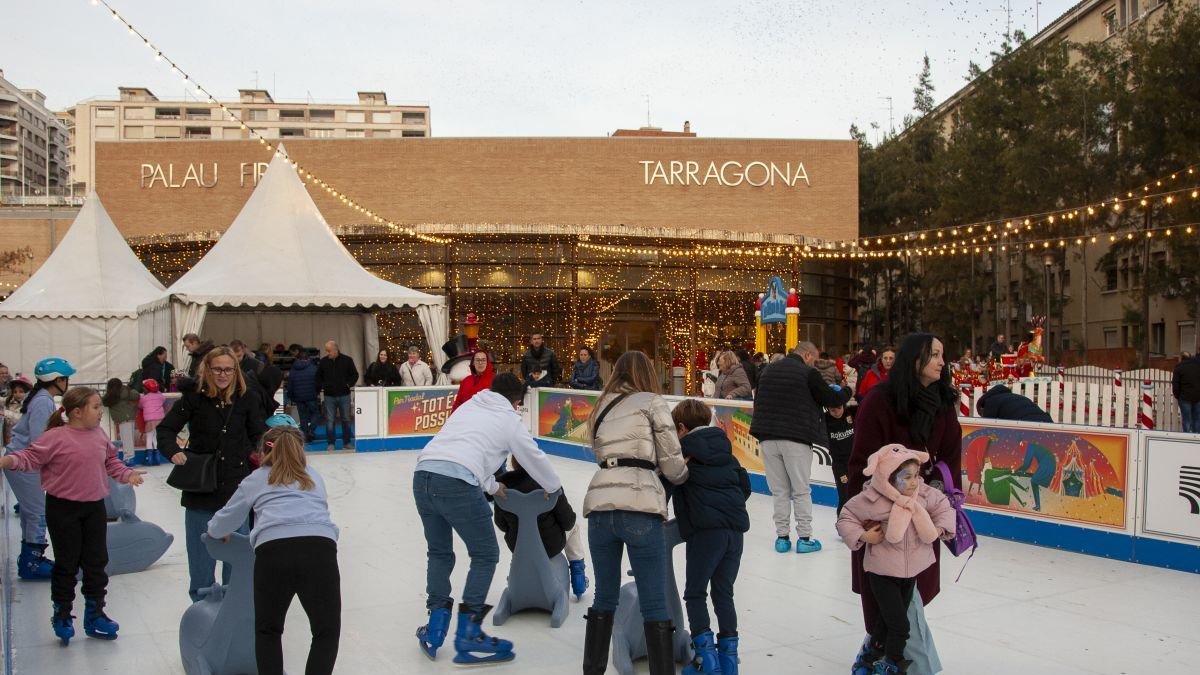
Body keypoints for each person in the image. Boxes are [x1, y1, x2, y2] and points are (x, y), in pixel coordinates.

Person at [412, 373, 563, 665]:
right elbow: (532, 456)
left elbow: (465, 450)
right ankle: (469, 633)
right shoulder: (509, 419)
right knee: (485, 554)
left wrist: (493, 486)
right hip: (456, 482)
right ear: (517, 400)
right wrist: (554, 486)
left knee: (439, 552)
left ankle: (435, 625)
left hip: (423, 474)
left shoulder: (469, 405)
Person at [847, 333, 962, 675]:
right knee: (896, 594)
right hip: (883, 515)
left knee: (906, 593)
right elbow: (860, 461)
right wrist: (865, 518)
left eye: (943, 354)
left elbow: (952, 455)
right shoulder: (881, 400)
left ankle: (874, 654)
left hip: (922, 512)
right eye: (935, 355)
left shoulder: (942, 401)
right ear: (915, 360)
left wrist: (943, 499)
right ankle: (913, 665)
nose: (943, 362)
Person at [0, 386, 146, 644]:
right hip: (63, 509)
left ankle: (95, 613)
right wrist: (8, 461)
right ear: (77, 412)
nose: (101, 412)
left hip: (93, 508)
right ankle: (63, 613)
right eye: (96, 407)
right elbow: (30, 457)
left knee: (96, 561)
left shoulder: (99, 435)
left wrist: (127, 474)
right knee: (67, 563)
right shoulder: (55, 437)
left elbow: (111, 462)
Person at [581, 350, 688, 675]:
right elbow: (671, 462)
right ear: (647, 373)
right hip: (640, 504)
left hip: (600, 505)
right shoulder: (652, 401)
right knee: (655, 602)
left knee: (604, 598)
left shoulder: (600, 407)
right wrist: (683, 475)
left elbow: (601, 453)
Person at [207, 424, 341, 675]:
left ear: (261, 453)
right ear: (301, 451)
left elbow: (225, 520)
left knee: (268, 631)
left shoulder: (256, 479)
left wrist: (216, 531)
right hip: (319, 549)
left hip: (274, 553)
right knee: (326, 631)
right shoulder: (313, 476)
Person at [158, 346, 268, 602]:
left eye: (228, 369)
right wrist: (173, 451)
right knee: (201, 557)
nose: (223, 374)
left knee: (237, 559)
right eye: (217, 368)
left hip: (236, 490)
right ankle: (201, 606)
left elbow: (258, 436)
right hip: (201, 488)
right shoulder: (193, 398)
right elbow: (165, 430)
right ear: (207, 369)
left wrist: (266, 455)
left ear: (236, 370)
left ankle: (235, 605)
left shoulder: (247, 398)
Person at [836, 444, 956, 675]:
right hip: (883, 572)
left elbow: (944, 508)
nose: (913, 482)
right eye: (906, 477)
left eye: (916, 476)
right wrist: (863, 535)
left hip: (910, 574)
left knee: (884, 623)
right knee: (900, 626)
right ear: (889, 478)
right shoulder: (872, 499)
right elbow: (847, 517)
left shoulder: (923, 495)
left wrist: (940, 529)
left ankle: (869, 658)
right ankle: (892, 665)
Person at [671, 399, 750, 675]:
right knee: (723, 593)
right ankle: (728, 662)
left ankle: (705, 660)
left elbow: (669, 483)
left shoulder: (683, 453)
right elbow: (745, 486)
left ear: (681, 428)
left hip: (706, 533)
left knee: (695, 593)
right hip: (735, 532)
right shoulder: (726, 450)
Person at [749, 342, 851, 554]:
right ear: (806, 355)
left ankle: (782, 538)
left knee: (779, 491)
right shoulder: (808, 373)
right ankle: (804, 538)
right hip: (795, 437)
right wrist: (848, 391)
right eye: (813, 360)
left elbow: (758, 401)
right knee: (801, 490)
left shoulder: (767, 371)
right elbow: (830, 398)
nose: (813, 363)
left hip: (767, 437)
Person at [5, 357, 77, 580]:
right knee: (37, 513)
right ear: (57, 380)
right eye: (66, 378)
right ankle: (32, 562)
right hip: (25, 463)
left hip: (21, 460)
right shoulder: (43, 401)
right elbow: (40, 439)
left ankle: (30, 559)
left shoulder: (39, 397)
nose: (68, 383)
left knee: (31, 511)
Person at [493, 455, 590, 599]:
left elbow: (501, 524)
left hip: (518, 546)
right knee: (574, 527)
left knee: (516, 532)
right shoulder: (548, 481)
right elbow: (568, 521)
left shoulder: (502, 484)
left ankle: (516, 576)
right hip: (550, 545)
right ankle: (578, 575)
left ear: (514, 462)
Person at [316, 341, 358, 451]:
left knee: (346, 419)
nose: (327, 353)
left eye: (329, 351)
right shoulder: (323, 362)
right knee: (330, 420)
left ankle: (347, 442)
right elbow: (318, 377)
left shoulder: (347, 360)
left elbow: (355, 374)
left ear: (335, 350)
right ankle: (331, 443)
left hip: (344, 395)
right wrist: (323, 386)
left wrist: (348, 384)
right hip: (329, 396)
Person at [826, 403, 855, 515]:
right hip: (840, 466)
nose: (837, 412)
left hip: (856, 462)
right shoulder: (824, 419)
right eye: (833, 410)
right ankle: (843, 527)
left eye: (839, 408)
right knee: (844, 497)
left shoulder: (852, 412)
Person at [286, 350, 320, 442]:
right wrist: (317, 392)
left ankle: (305, 436)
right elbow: (318, 383)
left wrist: (291, 396)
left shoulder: (293, 369)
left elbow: (290, 385)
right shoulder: (313, 368)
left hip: (298, 397)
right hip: (311, 396)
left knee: (303, 417)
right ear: (308, 358)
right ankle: (311, 430)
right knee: (315, 414)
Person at [977, 384, 1053, 423]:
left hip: (1025, 424)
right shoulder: (1016, 397)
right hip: (1046, 421)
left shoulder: (990, 401)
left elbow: (988, 426)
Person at [101, 378, 140, 453]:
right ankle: (129, 458)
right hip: (129, 416)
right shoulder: (126, 391)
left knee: (126, 439)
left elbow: (103, 402)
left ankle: (129, 458)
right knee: (128, 439)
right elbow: (136, 395)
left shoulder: (110, 395)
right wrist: (130, 388)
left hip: (121, 419)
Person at [137, 379, 168, 465]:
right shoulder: (160, 396)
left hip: (150, 421)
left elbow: (140, 405)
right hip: (160, 420)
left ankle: (149, 459)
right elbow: (164, 400)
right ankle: (157, 459)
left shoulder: (144, 398)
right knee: (156, 438)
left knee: (149, 438)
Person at [1172, 352, 1200, 433]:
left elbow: (1175, 384)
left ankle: (1187, 437)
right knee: (1197, 419)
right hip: (1198, 397)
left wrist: (1177, 395)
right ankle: (1197, 437)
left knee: (1187, 419)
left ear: (1181, 358)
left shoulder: (1179, 368)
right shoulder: (1198, 366)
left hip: (1185, 397)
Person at [2, 376, 32, 447]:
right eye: (15, 392)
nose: (17, 394)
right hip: (8, 438)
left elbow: (20, 418)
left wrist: (4, 413)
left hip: (20, 440)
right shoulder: (10, 401)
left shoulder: (29, 405)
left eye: (21, 392)